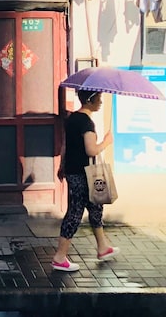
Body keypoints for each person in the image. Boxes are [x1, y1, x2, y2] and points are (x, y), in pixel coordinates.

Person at [52, 89, 119, 272]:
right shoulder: (86, 123)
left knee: (95, 207)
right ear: (90, 100)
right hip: (82, 174)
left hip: (75, 170)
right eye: (98, 98)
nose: (101, 102)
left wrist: (62, 165)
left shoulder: (73, 119)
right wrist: (106, 142)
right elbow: (91, 150)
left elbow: (66, 145)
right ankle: (59, 257)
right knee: (75, 213)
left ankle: (103, 247)